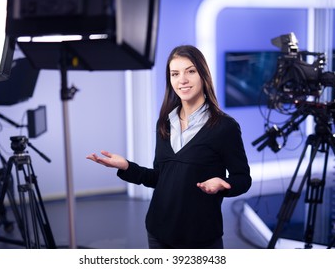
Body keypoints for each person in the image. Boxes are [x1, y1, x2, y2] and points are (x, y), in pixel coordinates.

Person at [86, 45, 252, 249]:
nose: (182, 80)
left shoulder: (225, 127)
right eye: (175, 74)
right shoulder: (164, 123)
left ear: (203, 75)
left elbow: (243, 179)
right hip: (158, 230)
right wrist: (126, 167)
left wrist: (224, 184)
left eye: (190, 71)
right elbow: (160, 178)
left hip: (200, 236)